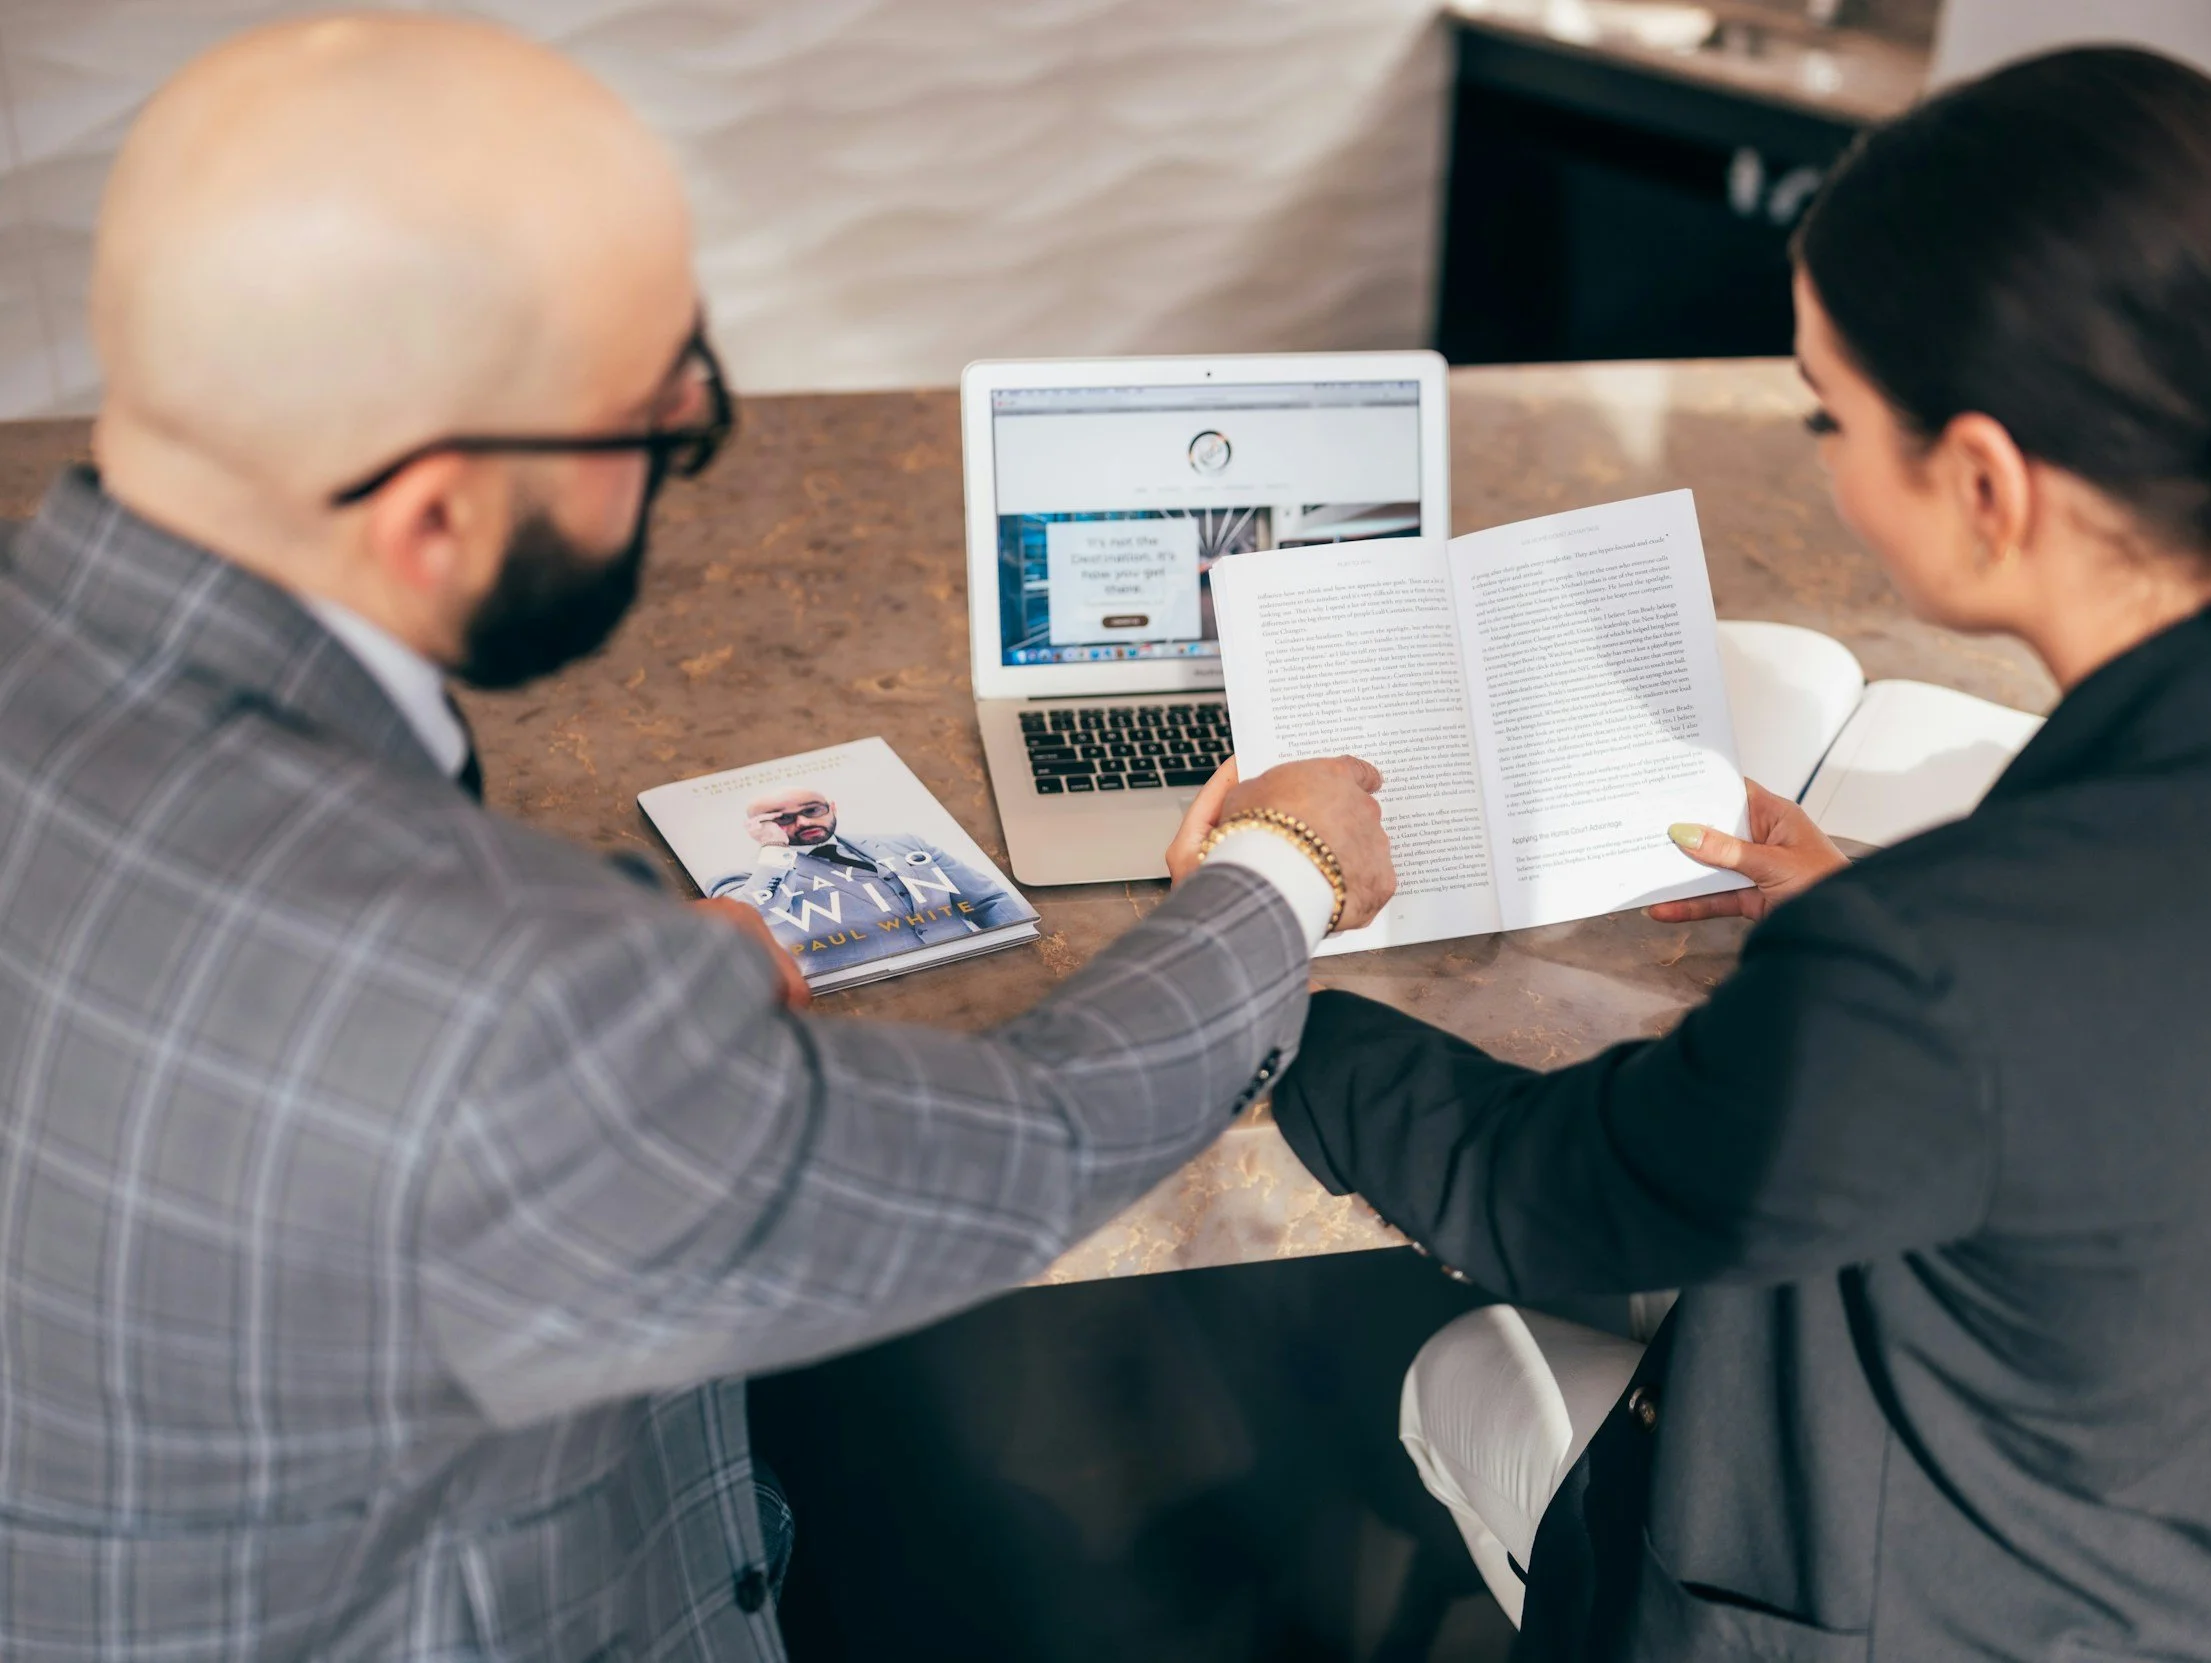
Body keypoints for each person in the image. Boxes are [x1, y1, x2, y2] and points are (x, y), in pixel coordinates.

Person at [0, 15, 1392, 1660]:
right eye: (663, 430)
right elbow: (1021, 1139)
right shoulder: (522, 1012)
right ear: (433, 509)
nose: (675, 463)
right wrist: (1280, 870)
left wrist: (615, 1021)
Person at [1266, 46, 2211, 1662]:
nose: (1824, 458)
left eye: (1828, 412)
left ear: (1983, 479)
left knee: (1464, 1364)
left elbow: (1538, 1189)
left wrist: (1263, 958)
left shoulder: (1939, 969)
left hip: (1957, 1619)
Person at [713, 787, 1025, 969]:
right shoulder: (742, 878)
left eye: (813, 809)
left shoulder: (903, 843)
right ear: (756, 826)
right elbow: (750, 920)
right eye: (783, 818)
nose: (804, 821)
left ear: (832, 807)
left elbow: (989, 901)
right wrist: (774, 848)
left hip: (979, 967)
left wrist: (1015, 953)